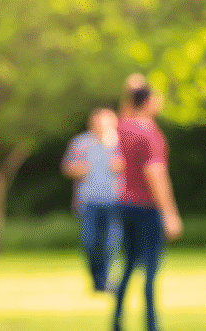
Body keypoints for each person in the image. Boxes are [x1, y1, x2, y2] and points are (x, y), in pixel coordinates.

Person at [113, 81, 183, 331]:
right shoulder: (150, 133)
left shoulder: (123, 128)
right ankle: (152, 326)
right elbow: (155, 173)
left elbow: (124, 111)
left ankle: (117, 322)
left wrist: (130, 90)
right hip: (147, 207)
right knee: (151, 269)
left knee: (129, 264)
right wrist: (170, 214)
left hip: (125, 205)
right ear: (149, 102)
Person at [61, 106, 124, 292]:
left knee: (110, 243)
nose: (100, 126)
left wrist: (121, 166)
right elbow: (67, 166)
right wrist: (77, 169)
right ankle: (96, 280)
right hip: (88, 201)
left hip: (115, 200)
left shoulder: (120, 143)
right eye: (96, 122)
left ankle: (105, 281)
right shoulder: (81, 143)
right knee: (90, 242)